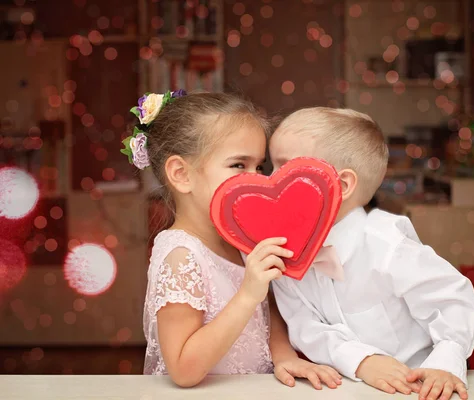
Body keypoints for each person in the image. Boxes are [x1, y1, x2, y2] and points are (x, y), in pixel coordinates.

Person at [124, 91, 342, 388]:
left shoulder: (242, 240)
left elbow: (267, 309)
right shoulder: (181, 256)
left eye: (259, 167)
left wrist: (284, 355)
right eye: (239, 165)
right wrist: (247, 294)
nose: (256, 179)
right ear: (181, 174)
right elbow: (183, 370)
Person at [269, 107, 474, 400]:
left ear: (340, 186)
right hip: (345, 385)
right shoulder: (281, 251)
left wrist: (445, 363)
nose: (270, 182)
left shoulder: (388, 244)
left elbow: (452, 300)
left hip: (418, 386)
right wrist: (362, 360)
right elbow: (305, 326)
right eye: (271, 168)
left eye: (286, 169)